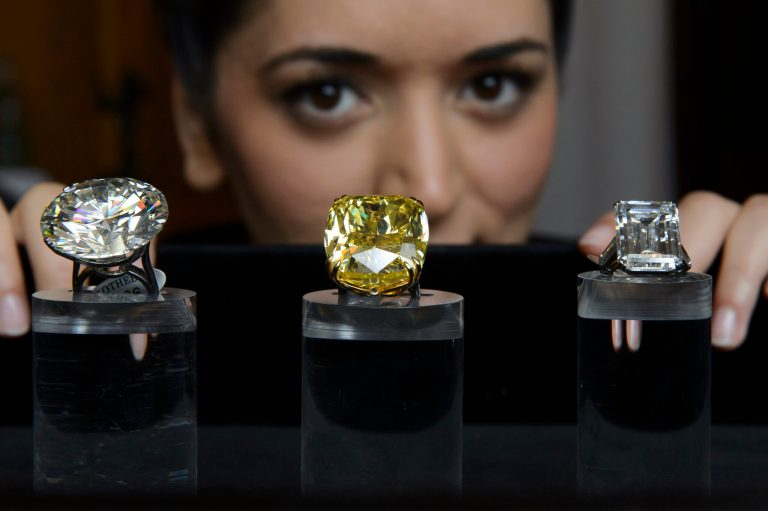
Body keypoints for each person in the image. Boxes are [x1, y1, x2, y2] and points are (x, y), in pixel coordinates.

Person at [0, 0, 765, 350]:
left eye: (493, 84)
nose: (426, 188)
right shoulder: (124, 339)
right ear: (196, 122)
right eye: (326, 94)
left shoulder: (662, 324)